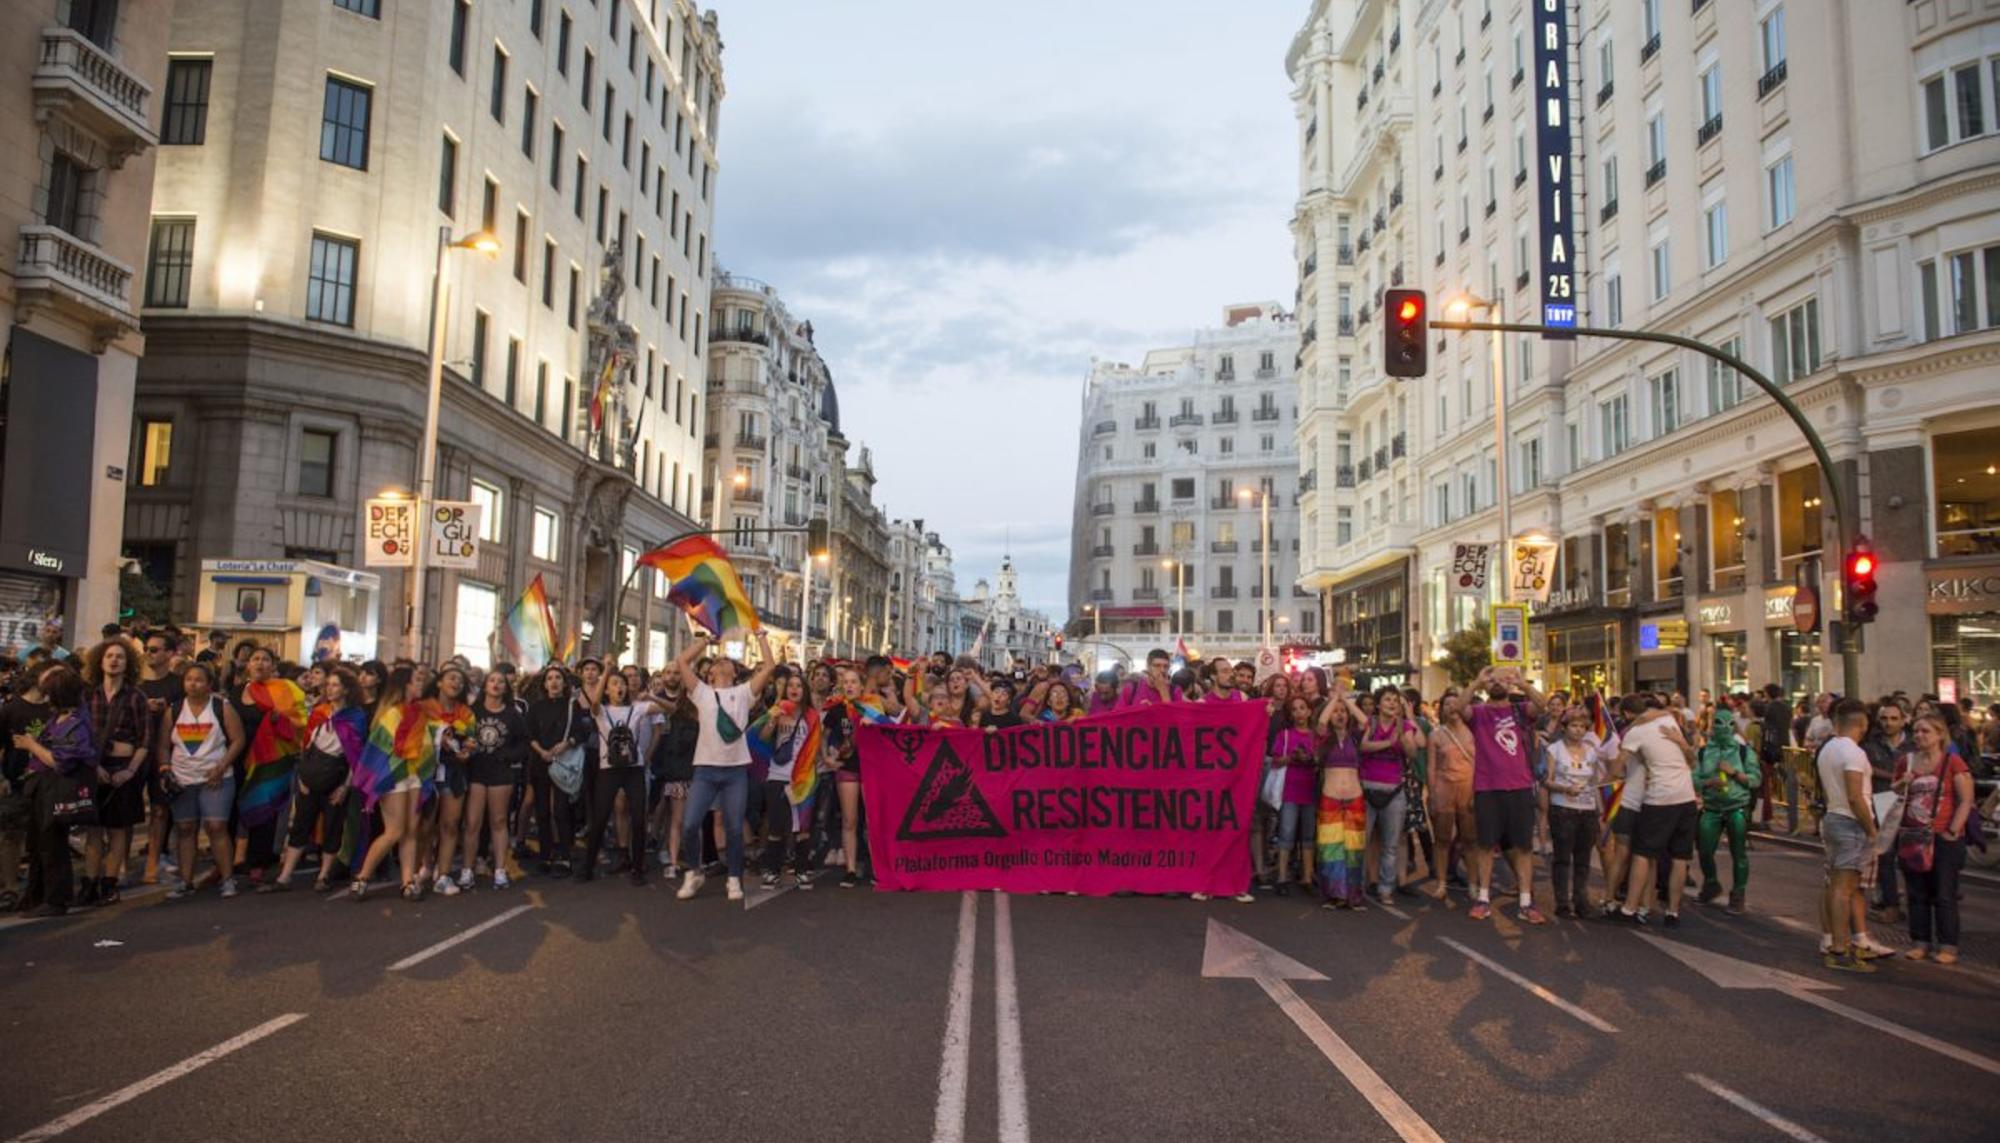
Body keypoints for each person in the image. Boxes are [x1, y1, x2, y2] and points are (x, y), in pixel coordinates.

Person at [674, 631, 778, 901]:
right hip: (705, 771)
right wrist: (703, 642)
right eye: (717, 661)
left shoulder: (744, 693)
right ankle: (694, 872)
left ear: (734, 672)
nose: (721, 661)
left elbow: (769, 667)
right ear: (710, 675)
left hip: (735, 772)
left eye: (726, 660)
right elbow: (682, 662)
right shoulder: (701, 693)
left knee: (733, 826)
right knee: (690, 824)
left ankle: (734, 877)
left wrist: (762, 637)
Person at [264, 667, 365, 893]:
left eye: (335, 685)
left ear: (347, 689)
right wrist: (302, 777)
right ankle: (285, 876)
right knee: (300, 824)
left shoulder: (356, 717)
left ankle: (323, 875)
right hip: (311, 774)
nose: (330, 689)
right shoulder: (319, 712)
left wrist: (345, 786)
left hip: (336, 775)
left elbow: (355, 756)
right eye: (328, 684)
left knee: (332, 827)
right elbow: (306, 744)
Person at [1465, 666, 1548, 924]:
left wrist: (1523, 684)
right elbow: (1457, 707)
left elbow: (1543, 705)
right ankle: (1483, 899)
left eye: (1503, 679)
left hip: (1520, 787)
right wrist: (1476, 681)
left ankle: (1526, 902)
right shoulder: (1478, 713)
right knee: (1486, 845)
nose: (1497, 683)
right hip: (1487, 788)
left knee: (1523, 846)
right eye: (1493, 680)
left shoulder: (1520, 709)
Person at [158, 662, 248, 898]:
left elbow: (238, 739)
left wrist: (221, 766)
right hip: (182, 777)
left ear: (209, 684)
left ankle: (228, 879)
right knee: (185, 828)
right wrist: (165, 768)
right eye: (189, 679)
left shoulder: (221, 707)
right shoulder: (174, 710)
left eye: (199, 679)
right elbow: (163, 744)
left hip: (216, 777)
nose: (193, 684)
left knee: (216, 826)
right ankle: (186, 882)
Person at [13, 666, 94, 916]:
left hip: (57, 790)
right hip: (43, 788)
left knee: (52, 845)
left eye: (49, 693)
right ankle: (37, 895)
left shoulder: (74, 724)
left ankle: (56, 899)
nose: (44, 698)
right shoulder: (58, 720)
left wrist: (31, 745)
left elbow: (60, 760)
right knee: (38, 844)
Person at [1895, 714, 1974, 965]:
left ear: (1940, 734)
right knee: (1916, 892)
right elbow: (1894, 793)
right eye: (1916, 731)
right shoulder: (1906, 762)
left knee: (1944, 893)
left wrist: (1952, 830)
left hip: (1943, 836)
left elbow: (1966, 799)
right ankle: (1920, 942)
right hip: (1912, 835)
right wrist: (1902, 783)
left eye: (1926, 731)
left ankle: (1948, 945)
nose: (1919, 736)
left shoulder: (1953, 763)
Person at [1615, 693, 1700, 928]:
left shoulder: (1635, 732)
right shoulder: (1669, 720)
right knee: (1680, 858)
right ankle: (1673, 911)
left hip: (1660, 798)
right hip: (1686, 797)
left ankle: (1629, 908)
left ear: (1627, 714)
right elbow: (1692, 761)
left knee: (1643, 853)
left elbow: (1618, 766)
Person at [81, 637, 152, 906]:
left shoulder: (136, 696)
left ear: (128, 664)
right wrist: (94, 765)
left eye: (120, 657)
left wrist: (131, 771)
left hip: (124, 771)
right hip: (93, 768)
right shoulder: (88, 695)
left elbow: (145, 739)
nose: (114, 660)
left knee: (118, 830)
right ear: (99, 661)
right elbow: (79, 737)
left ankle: (109, 884)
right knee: (93, 830)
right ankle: (89, 884)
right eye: (109, 655)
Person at [1816, 698, 1880, 972]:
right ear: (1863, 724)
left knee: (1834, 884)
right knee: (1845, 887)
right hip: (1850, 821)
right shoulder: (1853, 753)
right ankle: (1841, 948)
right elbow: (1856, 796)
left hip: (1832, 817)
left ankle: (1835, 942)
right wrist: (1871, 829)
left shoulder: (1828, 749)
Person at [462, 669, 529, 890]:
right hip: (477, 771)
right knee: (472, 822)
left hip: (501, 773)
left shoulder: (513, 714)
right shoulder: (473, 711)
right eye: (492, 680)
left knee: (499, 821)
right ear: (485, 685)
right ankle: (467, 869)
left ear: (506, 688)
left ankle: (500, 870)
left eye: (501, 682)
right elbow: (461, 734)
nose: (496, 684)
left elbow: (523, 743)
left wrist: (508, 757)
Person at [1693, 708, 1760, 915]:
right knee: (1704, 850)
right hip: (1711, 807)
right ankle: (1711, 882)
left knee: (1738, 852)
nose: (1723, 728)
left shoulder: (1743, 751)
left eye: (1728, 724)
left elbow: (1755, 778)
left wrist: (1735, 773)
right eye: (1718, 723)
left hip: (1736, 806)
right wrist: (1707, 783)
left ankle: (1738, 893)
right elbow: (1693, 778)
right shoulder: (1703, 752)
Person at [1358, 686, 1419, 907]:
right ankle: (1360, 885)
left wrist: (1402, 735)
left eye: (1395, 700)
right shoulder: (1370, 723)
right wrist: (1387, 742)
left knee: (1391, 845)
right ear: (1378, 704)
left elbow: (1412, 753)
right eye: (1387, 700)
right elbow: (1363, 746)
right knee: (1362, 841)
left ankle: (1385, 888)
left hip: (1394, 791)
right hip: (1368, 788)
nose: (1392, 703)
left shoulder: (1405, 726)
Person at [1543, 706, 1606, 918]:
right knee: (1562, 858)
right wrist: (1565, 788)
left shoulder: (1591, 751)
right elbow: (1547, 781)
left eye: (1582, 726)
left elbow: (1596, 781)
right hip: (1563, 809)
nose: (1578, 730)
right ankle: (1562, 903)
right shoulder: (1555, 749)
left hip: (1587, 810)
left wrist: (1600, 812)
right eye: (1574, 726)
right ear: (1565, 727)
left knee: (1583, 859)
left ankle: (1581, 900)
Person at [525, 665, 586, 876]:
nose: (554, 682)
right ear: (544, 684)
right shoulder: (536, 707)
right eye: (549, 678)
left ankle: (564, 856)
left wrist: (566, 744)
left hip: (563, 764)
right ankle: (545, 854)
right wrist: (541, 751)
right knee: (542, 811)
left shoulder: (572, 705)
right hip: (540, 762)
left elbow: (581, 732)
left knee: (560, 810)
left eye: (558, 678)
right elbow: (529, 734)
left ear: (564, 682)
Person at [1315, 684, 1368, 911]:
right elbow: (1320, 723)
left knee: (1354, 850)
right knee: (1331, 849)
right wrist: (1333, 700)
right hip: (1331, 799)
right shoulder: (1323, 739)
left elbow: (1365, 721)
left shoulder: (1356, 737)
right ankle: (1335, 895)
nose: (1339, 715)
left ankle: (1354, 896)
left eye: (1343, 712)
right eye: (1336, 712)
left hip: (1354, 799)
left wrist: (1345, 701)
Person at [136, 631, 183, 886]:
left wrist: (168, 709)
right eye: (146, 648)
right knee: (129, 813)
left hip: (167, 753)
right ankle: (119, 866)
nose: (149, 653)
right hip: (136, 753)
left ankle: (153, 862)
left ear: (169, 653)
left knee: (160, 809)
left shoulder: (178, 684)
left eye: (155, 649)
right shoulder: (136, 685)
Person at [1426, 689, 1477, 899]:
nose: (1452, 708)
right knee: (1442, 839)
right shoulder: (1436, 734)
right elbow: (1431, 767)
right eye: (1447, 704)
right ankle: (1441, 883)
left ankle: (1474, 885)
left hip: (1468, 788)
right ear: (1441, 709)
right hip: (1443, 788)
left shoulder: (1473, 732)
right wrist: (1431, 794)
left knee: (1470, 839)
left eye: (1456, 703)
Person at [1268, 697, 1319, 897]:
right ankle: (1282, 876)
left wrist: (1312, 759)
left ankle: (1307, 876)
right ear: (1291, 714)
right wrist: (1292, 758)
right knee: (1286, 834)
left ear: (1309, 712)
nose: (1299, 713)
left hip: (1310, 790)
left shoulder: (1316, 736)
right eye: (1295, 709)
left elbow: (1320, 760)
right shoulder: (1285, 735)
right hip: (1289, 791)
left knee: (1308, 836)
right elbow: (1275, 761)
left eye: (1302, 708)